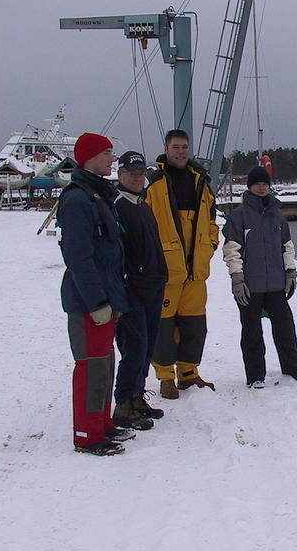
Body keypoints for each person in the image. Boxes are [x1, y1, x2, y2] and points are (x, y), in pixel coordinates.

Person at [57, 132, 133, 456]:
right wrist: (97, 301)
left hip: (107, 298)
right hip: (89, 302)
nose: (112, 159)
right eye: (107, 153)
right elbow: (78, 257)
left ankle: (102, 423)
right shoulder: (77, 200)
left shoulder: (98, 194)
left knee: (104, 363)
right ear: (89, 157)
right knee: (90, 366)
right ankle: (87, 434)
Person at [222, 166, 297, 388]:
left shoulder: (278, 216)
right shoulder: (240, 216)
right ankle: (255, 375)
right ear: (250, 187)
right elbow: (231, 250)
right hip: (250, 286)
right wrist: (237, 278)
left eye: (265, 183)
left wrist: (290, 271)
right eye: (257, 184)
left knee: (285, 327)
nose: (262, 187)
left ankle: (294, 368)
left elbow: (287, 246)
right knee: (251, 331)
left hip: (275, 284)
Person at [145, 129, 220, 399]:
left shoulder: (201, 182)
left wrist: (210, 245)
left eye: (184, 147)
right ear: (166, 149)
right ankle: (165, 377)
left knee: (194, 325)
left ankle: (188, 373)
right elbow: (144, 225)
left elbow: (212, 219)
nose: (180, 151)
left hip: (196, 271)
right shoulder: (154, 184)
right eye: (175, 147)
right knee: (163, 328)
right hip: (166, 271)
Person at [112, 150, 168, 426]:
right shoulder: (117, 206)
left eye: (140, 173)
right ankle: (123, 404)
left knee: (146, 348)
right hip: (132, 289)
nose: (137, 178)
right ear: (120, 174)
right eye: (132, 174)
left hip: (153, 288)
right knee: (134, 347)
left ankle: (136, 396)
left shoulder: (142, 205)